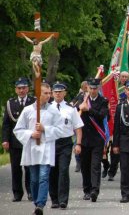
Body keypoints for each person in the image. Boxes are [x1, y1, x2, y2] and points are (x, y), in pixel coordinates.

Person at [13, 82, 64, 215]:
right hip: (32, 149)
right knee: (34, 179)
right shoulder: (28, 110)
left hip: (46, 149)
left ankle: (40, 204)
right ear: (38, 94)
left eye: (49, 93)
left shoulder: (53, 110)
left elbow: (60, 130)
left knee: (43, 177)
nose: (48, 96)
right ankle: (36, 202)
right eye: (45, 93)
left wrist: (45, 129)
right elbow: (18, 129)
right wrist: (30, 134)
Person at [49, 82, 84, 209]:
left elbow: (78, 128)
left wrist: (78, 144)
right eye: (55, 91)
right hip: (51, 142)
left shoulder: (71, 108)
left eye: (60, 91)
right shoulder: (46, 108)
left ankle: (63, 200)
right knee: (52, 172)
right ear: (52, 93)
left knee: (63, 170)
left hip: (65, 143)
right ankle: (54, 199)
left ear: (65, 93)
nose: (58, 93)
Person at [2, 77, 35, 202]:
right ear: (16, 90)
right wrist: (5, 139)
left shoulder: (33, 102)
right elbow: (6, 124)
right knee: (16, 168)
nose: (22, 90)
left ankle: (31, 191)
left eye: (24, 88)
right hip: (15, 141)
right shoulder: (11, 103)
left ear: (28, 89)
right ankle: (17, 193)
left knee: (29, 168)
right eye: (19, 88)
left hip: (29, 140)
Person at [77, 78, 109, 202]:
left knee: (95, 165)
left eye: (95, 88)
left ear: (99, 88)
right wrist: (79, 107)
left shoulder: (103, 101)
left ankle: (95, 190)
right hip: (84, 138)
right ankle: (87, 190)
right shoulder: (82, 99)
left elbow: (102, 115)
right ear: (87, 88)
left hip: (97, 139)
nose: (93, 90)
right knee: (85, 166)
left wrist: (88, 109)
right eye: (91, 88)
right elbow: (74, 112)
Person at [70, 80, 88, 172]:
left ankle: (84, 161)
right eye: (85, 87)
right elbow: (73, 104)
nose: (86, 89)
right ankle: (78, 162)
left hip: (88, 125)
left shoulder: (92, 97)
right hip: (79, 123)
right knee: (77, 143)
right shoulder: (80, 96)